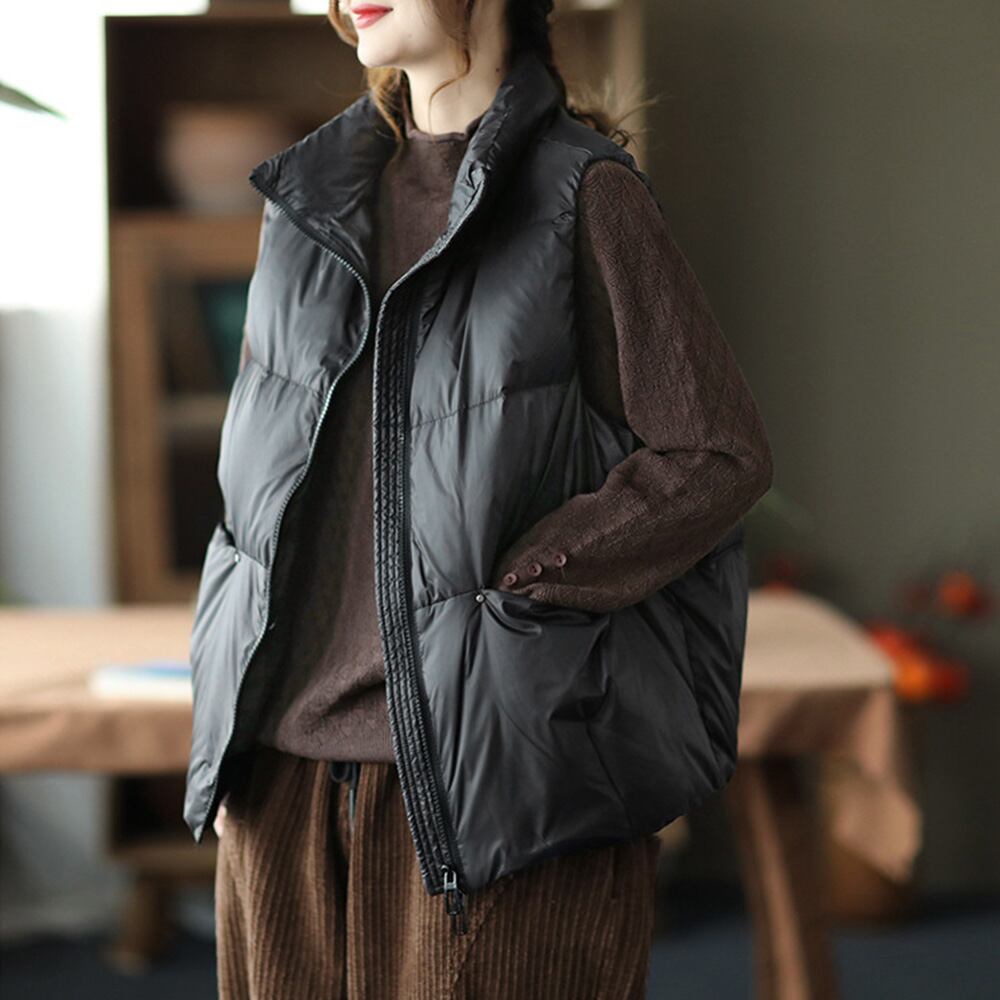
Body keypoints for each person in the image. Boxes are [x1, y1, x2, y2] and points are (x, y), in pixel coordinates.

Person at [198, 0, 774, 996]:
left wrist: (521, 588)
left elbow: (713, 452)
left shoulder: (584, 193)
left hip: (496, 778)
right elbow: (257, 484)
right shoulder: (303, 200)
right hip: (278, 781)